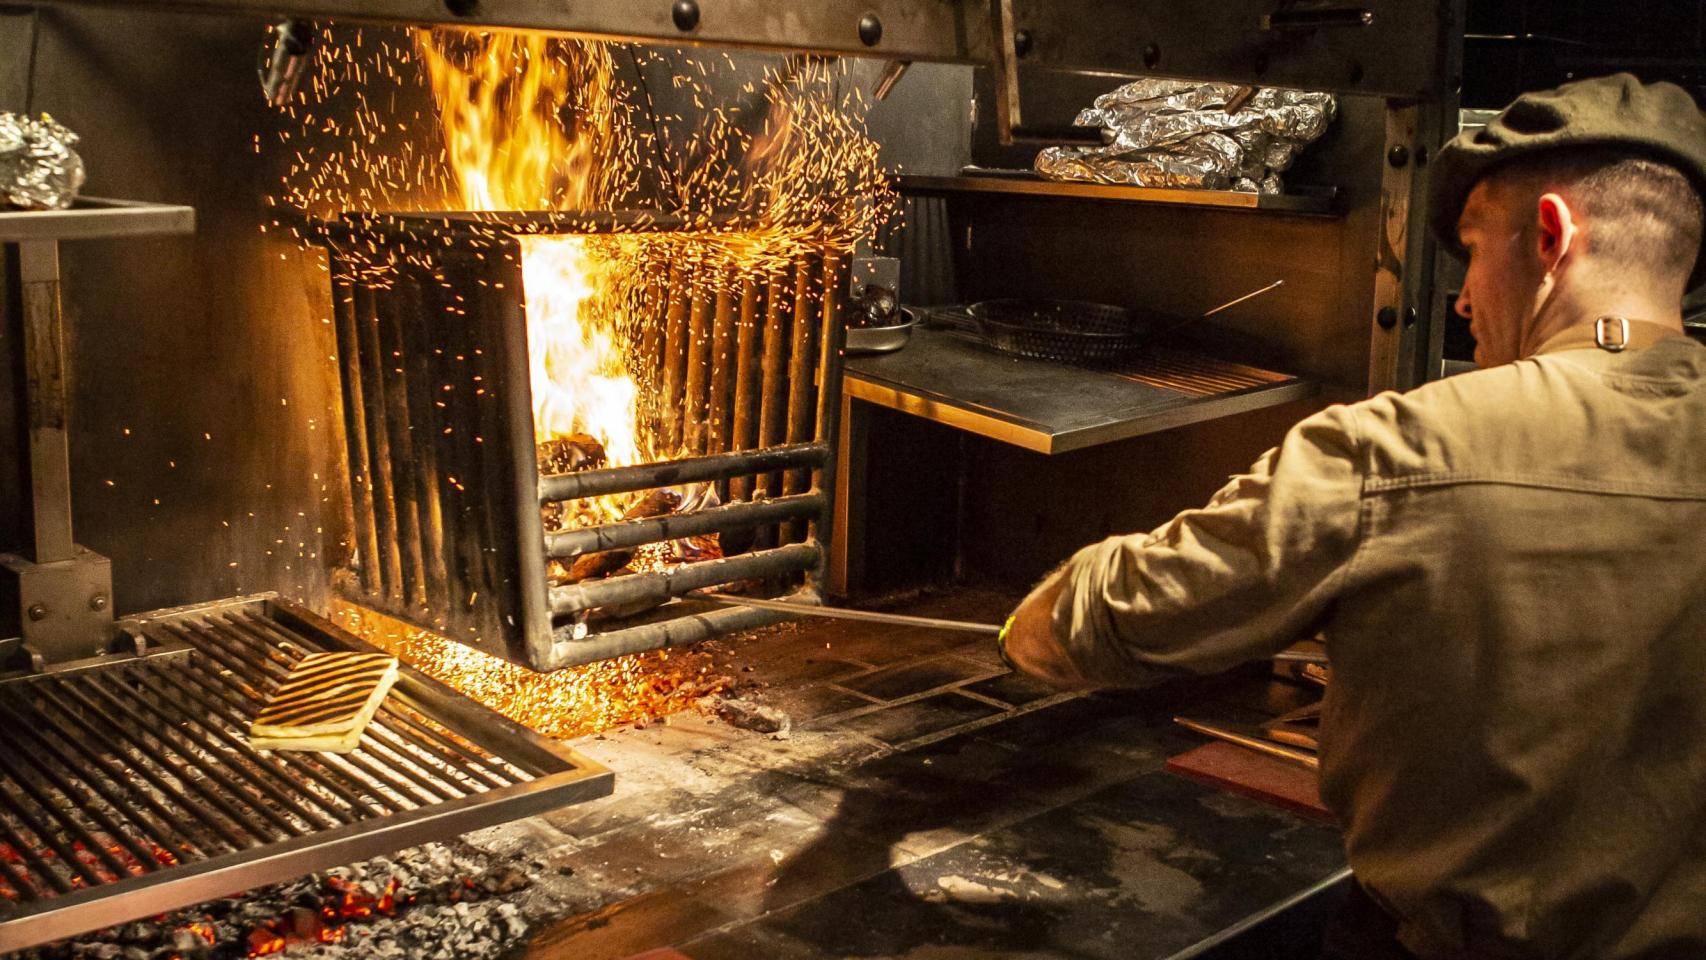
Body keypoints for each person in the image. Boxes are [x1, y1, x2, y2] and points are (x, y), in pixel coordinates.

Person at [997, 73, 1706, 960]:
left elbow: (1120, 617)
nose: (1460, 299)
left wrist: (1027, 622)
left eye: (1476, 251)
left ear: (1554, 235)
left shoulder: (1404, 450)